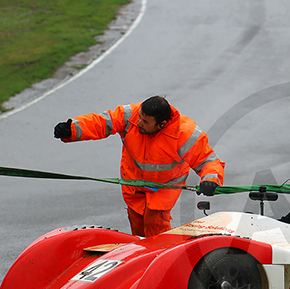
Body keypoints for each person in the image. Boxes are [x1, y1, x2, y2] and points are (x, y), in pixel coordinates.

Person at [54, 96, 225, 237]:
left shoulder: (184, 133)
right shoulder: (130, 115)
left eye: (145, 121)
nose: (139, 123)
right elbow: (102, 122)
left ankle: (161, 264)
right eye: (140, 117)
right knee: (138, 232)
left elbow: (208, 161)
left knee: (154, 227)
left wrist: (211, 180)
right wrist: (72, 129)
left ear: (162, 124)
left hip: (163, 189)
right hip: (134, 187)